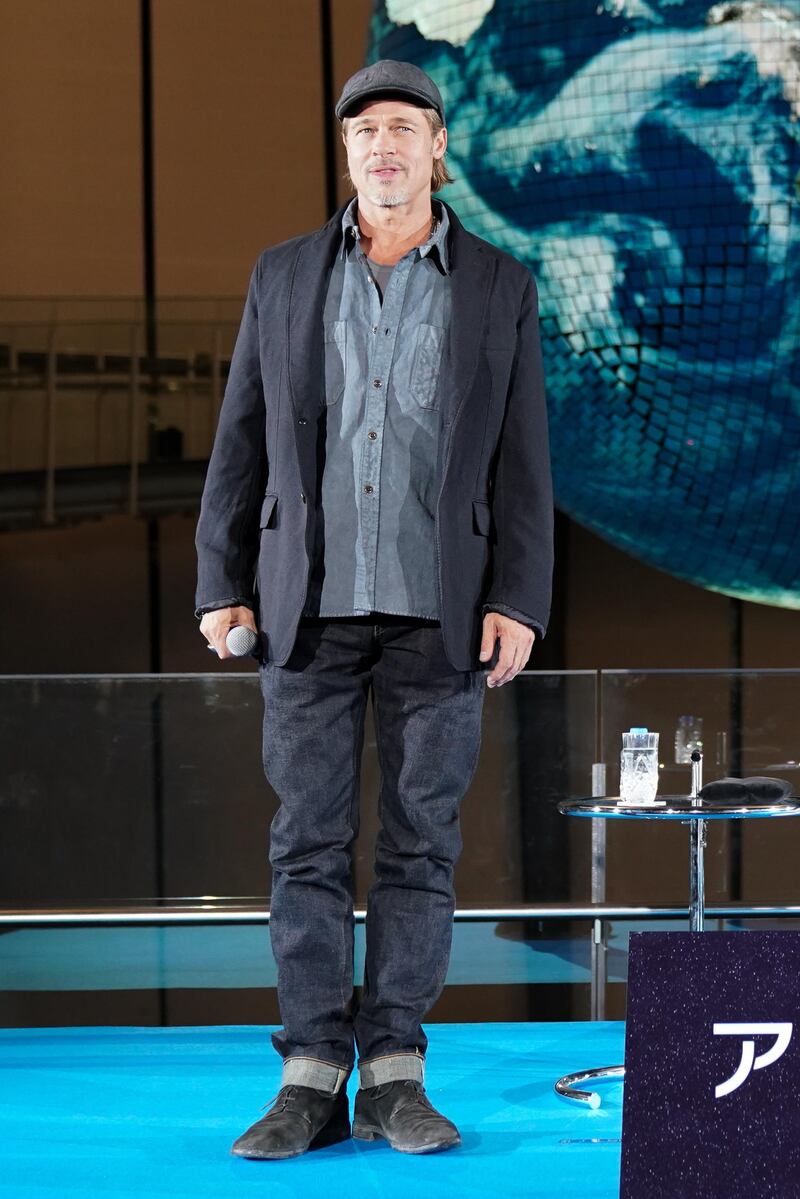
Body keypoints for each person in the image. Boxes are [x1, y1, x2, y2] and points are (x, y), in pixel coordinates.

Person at [195, 59, 553, 1160]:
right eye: (364, 134)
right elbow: (241, 437)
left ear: (438, 146)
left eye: (403, 128)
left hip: (441, 613)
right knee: (305, 841)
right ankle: (308, 1070)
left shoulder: (499, 283)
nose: (383, 148)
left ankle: (393, 1066)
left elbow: (522, 464)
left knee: (421, 845)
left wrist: (518, 598)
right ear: (345, 153)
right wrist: (221, 579)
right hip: (306, 608)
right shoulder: (284, 273)